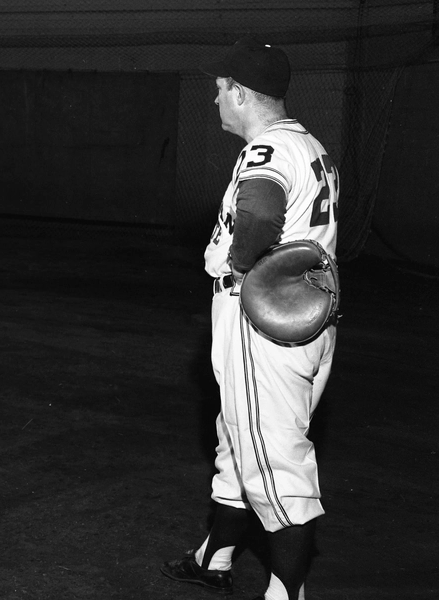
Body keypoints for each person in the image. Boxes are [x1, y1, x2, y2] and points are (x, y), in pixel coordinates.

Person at [161, 37, 339, 600]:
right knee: (241, 446)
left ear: (240, 92)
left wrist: (242, 266)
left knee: (274, 460)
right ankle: (214, 557)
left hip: (260, 319)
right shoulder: (310, 145)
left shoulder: (265, 150)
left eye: (219, 90)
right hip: (301, 318)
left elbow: (260, 212)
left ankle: (287, 594)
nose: (215, 100)